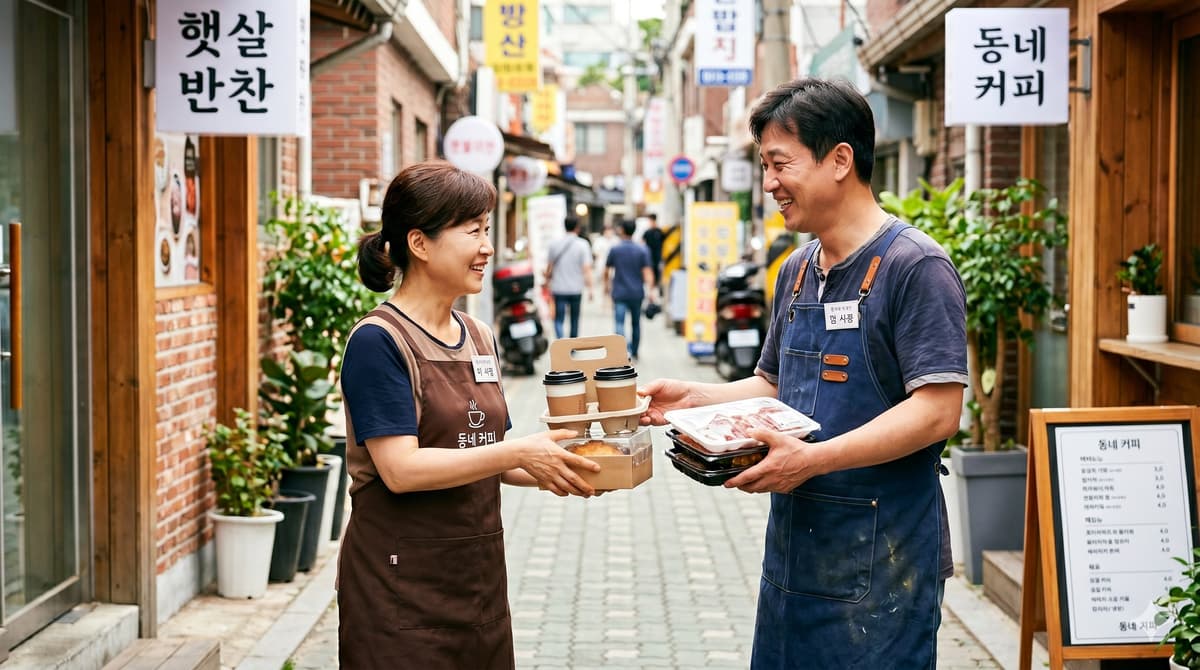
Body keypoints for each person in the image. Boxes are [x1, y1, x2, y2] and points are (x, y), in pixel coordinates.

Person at [640, 78, 967, 669]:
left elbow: (937, 409)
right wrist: (692, 398)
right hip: (797, 551)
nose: (768, 184)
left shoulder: (915, 266)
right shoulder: (796, 269)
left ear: (840, 159)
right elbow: (772, 386)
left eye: (779, 164)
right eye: (764, 165)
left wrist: (813, 459)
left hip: (885, 561)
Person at [337, 161, 602, 669]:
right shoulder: (379, 342)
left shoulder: (478, 337)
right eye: (473, 231)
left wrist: (571, 465)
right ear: (419, 242)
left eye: (487, 230)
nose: (487, 247)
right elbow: (400, 470)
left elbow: (491, 457)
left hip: (475, 582)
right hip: (399, 589)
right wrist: (521, 449)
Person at [604, 218, 656, 361]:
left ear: (622, 230)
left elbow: (607, 270)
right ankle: (634, 351)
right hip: (636, 292)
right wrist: (651, 291)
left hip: (619, 292)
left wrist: (606, 287)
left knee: (619, 323)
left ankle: (624, 350)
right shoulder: (642, 249)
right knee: (636, 323)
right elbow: (647, 273)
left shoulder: (615, 249)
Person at [543, 216, 593, 338]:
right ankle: (572, 346)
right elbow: (586, 269)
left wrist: (546, 280)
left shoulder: (554, 244)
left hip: (559, 288)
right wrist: (591, 288)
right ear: (577, 228)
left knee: (558, 319)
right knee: (574, 319)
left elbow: (549, 267)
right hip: (576, 288)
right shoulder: (583, 244)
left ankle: (561, 343)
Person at [640, 213, 665, 296]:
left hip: (657, 258)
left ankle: (654, 293)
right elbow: (642, 243)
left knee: (657, 275)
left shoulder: (659, 232)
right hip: (648, 258)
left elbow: (663, 244)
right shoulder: (647, 232)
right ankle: (650, 293)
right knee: (649, 274)